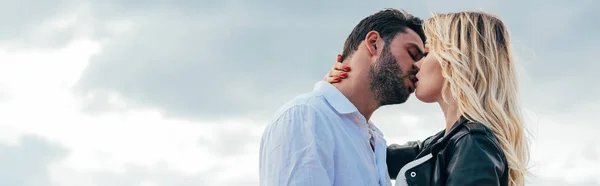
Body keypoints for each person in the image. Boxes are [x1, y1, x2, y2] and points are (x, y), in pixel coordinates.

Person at [325, 11, 529, 186]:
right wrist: (341, 88)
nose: (417, 64)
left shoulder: (472, 144)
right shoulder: (443, 144)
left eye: (426, 53)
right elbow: (366, 153)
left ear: (455, 62)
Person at [259, 8, 426, 186]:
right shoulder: (306, 117)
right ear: (374, 43)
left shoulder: (373, 139)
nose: (420, 67)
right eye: (412, 54)